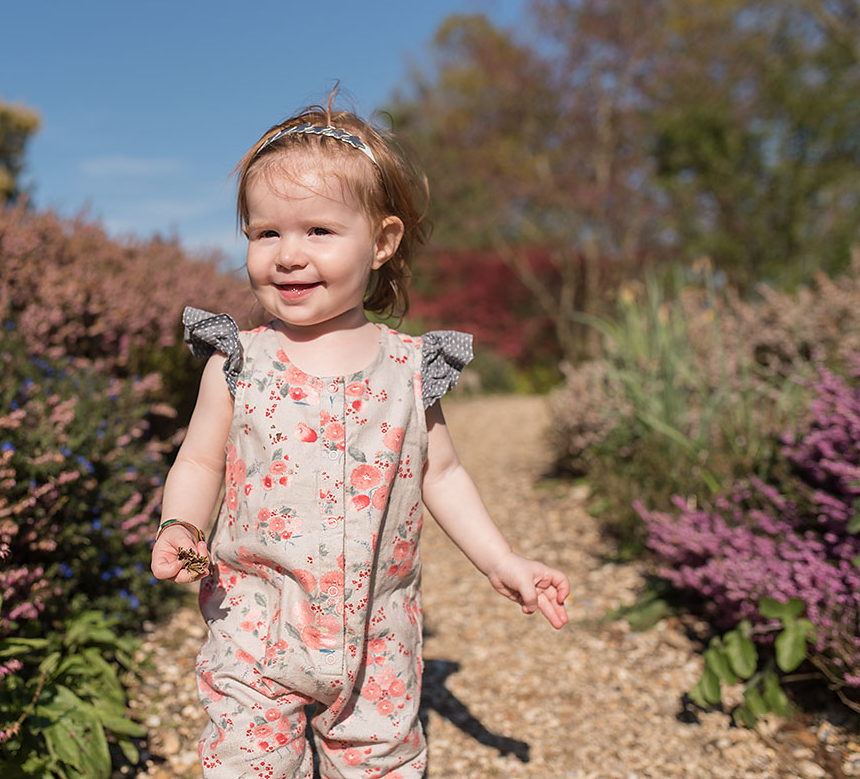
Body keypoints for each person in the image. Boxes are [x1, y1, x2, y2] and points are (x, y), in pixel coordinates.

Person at [151, 99, 570, 779]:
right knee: (246, 761)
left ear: (381, 241)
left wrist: (503, 560)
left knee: (378, 760)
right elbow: (199, 458)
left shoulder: (409, 369)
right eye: (265, 234)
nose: (288, 255)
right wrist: (180, 521)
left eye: (319, 230)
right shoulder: (238, 362)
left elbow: (443, 474)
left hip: (380, 630)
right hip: (256, 621)